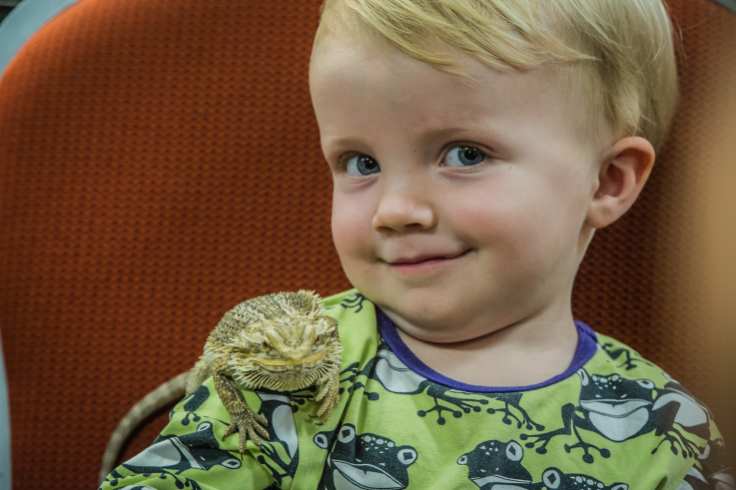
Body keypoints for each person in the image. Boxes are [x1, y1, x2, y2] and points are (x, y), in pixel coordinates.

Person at [99, 1, 735, 488]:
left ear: (607, 179)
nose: (395, 210)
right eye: (360, 163)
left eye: (465, 154)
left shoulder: (669, 429)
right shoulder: (287, 360)